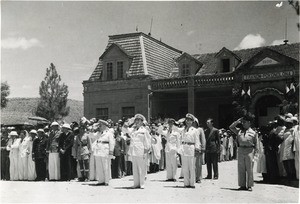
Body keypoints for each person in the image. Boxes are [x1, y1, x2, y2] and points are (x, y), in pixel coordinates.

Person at [229, 113, 258, 191]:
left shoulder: (253, 132)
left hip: (249, 150)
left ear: (249, 123)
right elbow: (231, 127)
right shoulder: (239, 131)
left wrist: (255, 154)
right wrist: (237, 122)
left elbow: (256, 144)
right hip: (241, 150)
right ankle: (242, 185)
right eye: (243, 122)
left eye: (245, 122)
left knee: (249, 168)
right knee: (241, 168)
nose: (243, 123)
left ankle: (249, 185)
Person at [122, 114, 151, 189]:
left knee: (141, 168)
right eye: (136, 120)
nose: (137, 122)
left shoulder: (144, 130)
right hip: (133, 150)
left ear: (142, 122)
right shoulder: (133, 130)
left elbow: (147, 141)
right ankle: (136, 183)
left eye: (139, 120)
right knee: (135, 168)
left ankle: (142, 183)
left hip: (141, 150)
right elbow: (124, 130)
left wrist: (146, 150)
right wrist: (128, 123)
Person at [179, 113, 200, 188]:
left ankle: (192, 183)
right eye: (187, 120)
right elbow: (175, 128)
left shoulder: (195, 130)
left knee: (191, 166)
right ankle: (186, 183)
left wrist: (197, 149)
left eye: (190, 120)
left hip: (191, 148)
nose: (188, 122)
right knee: (185, 167)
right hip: (184, 148)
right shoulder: (183, 130)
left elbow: (197, 140)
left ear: (192, 121)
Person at [92, 120, 115, 186]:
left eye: (101, 125)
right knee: (99, 166)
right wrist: (94, 127)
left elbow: (112, 143)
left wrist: (111, 152)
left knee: (106, 166)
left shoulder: (109, 133)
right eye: (99, 125)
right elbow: (91, 135)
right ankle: (101, 180)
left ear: (104, 126)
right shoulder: (98, 133)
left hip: (105, 151)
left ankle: (106, 181)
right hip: (98, 151)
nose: (99, 126)